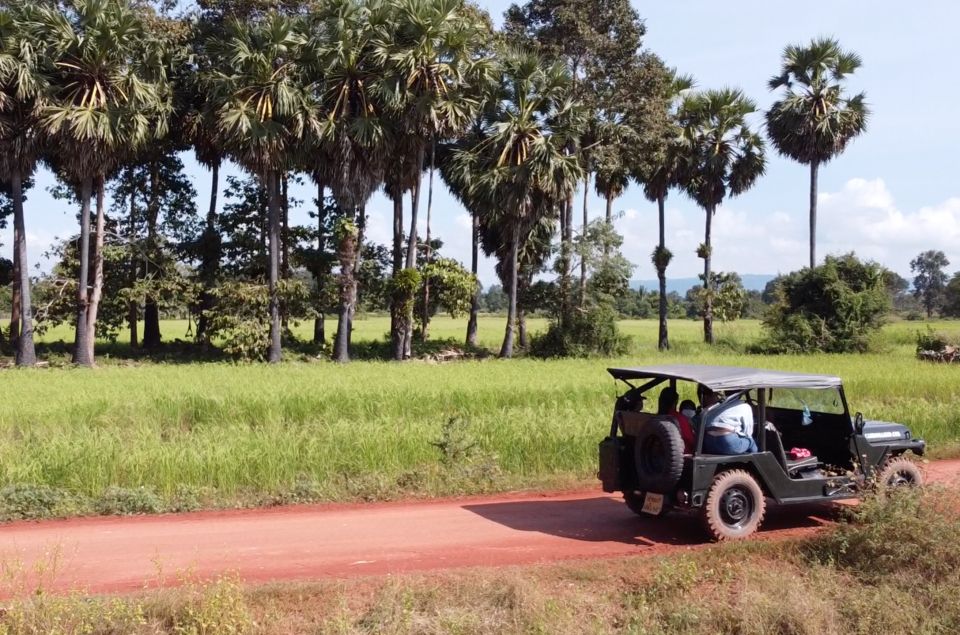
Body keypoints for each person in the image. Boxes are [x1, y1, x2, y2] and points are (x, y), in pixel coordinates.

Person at [697, 387, 758, 455]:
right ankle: (755, 463)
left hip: (709, 443)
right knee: (751, 442)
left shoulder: (716, 406)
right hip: (727, 443)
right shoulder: (744, 406)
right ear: (741, 393)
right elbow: (748, 432)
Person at [657, 387, 695, 453]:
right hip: (681, 456)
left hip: (658, 455)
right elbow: (691, 441)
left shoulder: (656, 418)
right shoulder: (679, 419)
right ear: (675, 402)